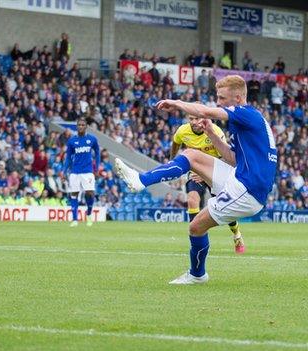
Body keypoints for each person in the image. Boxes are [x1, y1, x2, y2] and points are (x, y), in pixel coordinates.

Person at [114, 75, 277, 284]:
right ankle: (140, 180)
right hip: (240, 177)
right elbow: (233, 159)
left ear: (237, 98)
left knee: (196, 227)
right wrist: (210, 131)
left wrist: (176, 103)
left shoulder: (245, 114)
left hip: (248, 191)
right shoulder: (248, 120)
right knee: (191, 154)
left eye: (222, 98)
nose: (219, 102)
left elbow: (204, 110)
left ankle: (197, 275)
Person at [171, 115, 244, 254]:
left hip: (215, 172)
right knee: (192, 200)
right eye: (191, 118)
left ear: (204, 118)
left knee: (225, 207)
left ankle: (236, 234)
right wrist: (172, 162)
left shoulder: (215, 131)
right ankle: (196, 239)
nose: (193, 122)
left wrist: (206, 172)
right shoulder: (182, 131)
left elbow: (225, 157)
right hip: (195, 173)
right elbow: (175, 143)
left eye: (196, 118)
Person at [64, 118, 100, 227]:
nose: (80, 126)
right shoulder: (71, 141)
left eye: (82, 125)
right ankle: (75, 219)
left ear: (86, 126)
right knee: (74, 194)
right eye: (79, 125)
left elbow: (97, 153)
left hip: (88, 171)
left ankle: (88, 214)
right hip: (75, 171)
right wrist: (63, 170)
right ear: (76, 126)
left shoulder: (92, 139)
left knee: (90, 192)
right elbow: (68, 158)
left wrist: (97, 169)